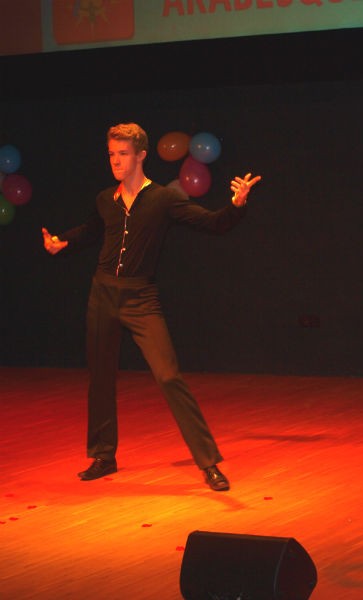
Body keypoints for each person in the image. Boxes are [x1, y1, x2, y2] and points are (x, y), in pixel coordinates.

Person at [42, 122, 261, 492]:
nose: (115, 161)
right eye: (111, 154)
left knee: (169, 376)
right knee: (100, 377)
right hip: (102, 295)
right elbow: (92, 229)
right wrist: (62, 242)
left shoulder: (163, 199)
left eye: (123, 154)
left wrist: (236, 206)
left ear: (141, 155)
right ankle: (103, 456)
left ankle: (208, 463)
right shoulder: (105, 199)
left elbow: (213, 223)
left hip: (140, 298)